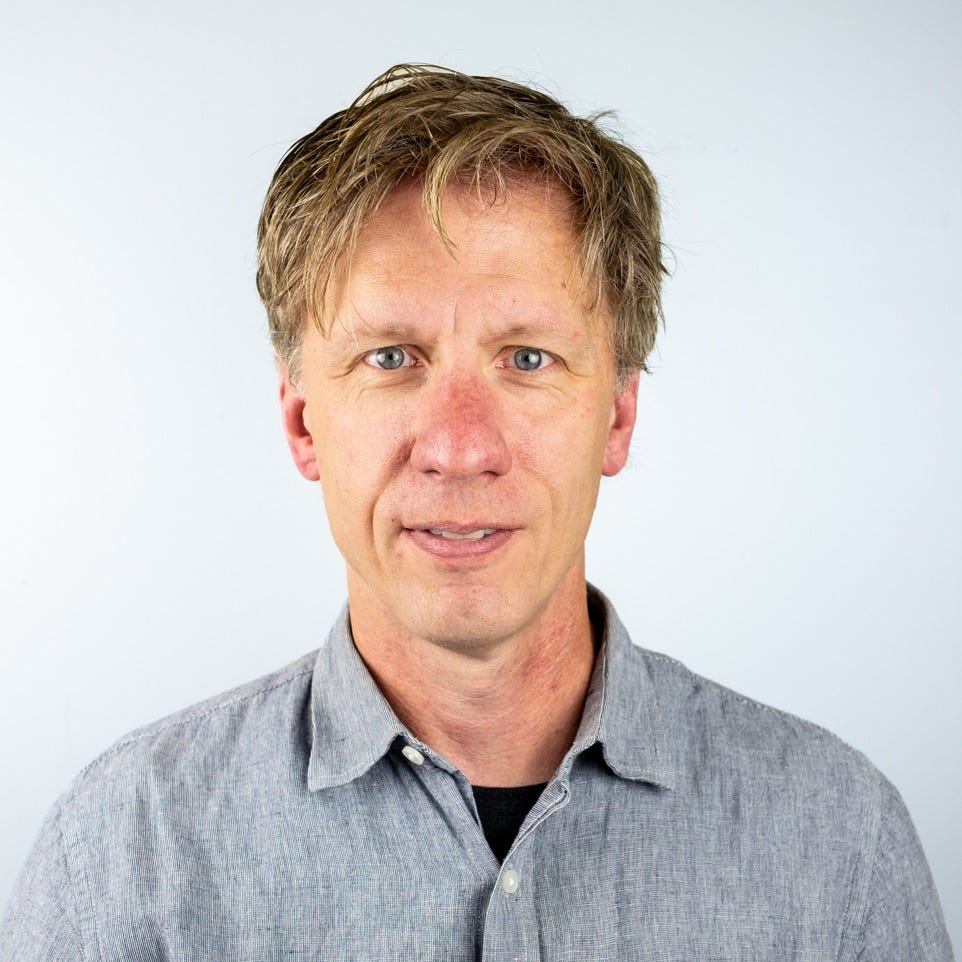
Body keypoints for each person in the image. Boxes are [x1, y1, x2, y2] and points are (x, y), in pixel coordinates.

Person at [1, 64, 952, 961]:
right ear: (302, 421)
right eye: (390, 358)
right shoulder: (125, 851)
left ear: (618, 416)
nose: (459, 447)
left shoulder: (839, 845)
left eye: (528, 358)